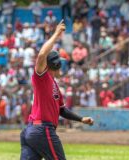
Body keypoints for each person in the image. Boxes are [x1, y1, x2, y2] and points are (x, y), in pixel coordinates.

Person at [20, 20, 94, 160]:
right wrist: (56, 34)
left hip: (32, 131)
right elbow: (42, 54)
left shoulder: (54, 85)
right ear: (55, 64)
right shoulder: (41, 77)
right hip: (42, 130)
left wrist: (81, 119)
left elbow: (62, 110)